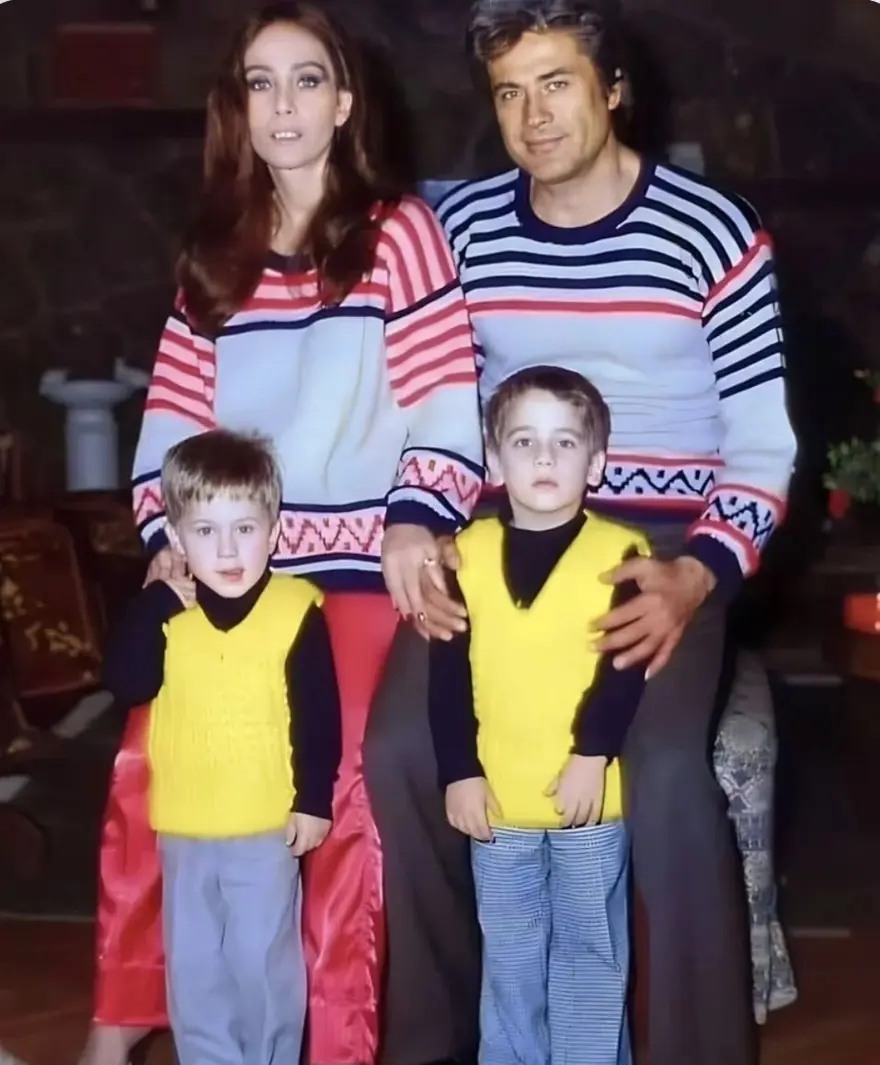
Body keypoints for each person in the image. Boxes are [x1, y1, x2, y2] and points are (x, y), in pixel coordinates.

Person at [81, 5, 484, 1065]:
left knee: (331, 776)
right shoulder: (217, 256)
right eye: (261, 83)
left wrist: (414, 522)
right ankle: (117, 1030)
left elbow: (448, 405)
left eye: (307, 80)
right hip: (230, 563)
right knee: (151, 757)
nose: (285, 105)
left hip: (355, 571)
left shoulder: (399, 234)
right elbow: (169, 425)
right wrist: (166, 537)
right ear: (239, 108)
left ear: (344, 102)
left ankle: (333, 1044)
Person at [427, 3, 798, 1064]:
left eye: (556, 84)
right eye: (509, 92)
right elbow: (436, 411)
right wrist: (428, 526)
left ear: (614, 89)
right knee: (406, 749)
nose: (533, 115)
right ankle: (440, 1040)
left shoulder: (712, 229)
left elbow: (764, 442)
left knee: (664, 767)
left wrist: (699, 573)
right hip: (509, 533)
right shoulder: (463, 231)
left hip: (663, 546)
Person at [429, 367, 649, 1065]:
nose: (545, 457)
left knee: (590, 952)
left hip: (589, 796)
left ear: (597, 461)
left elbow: (623, 670)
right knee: (510, 953)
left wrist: (592, 754)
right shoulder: (465, 556)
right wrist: (459, 771)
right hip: (497, 799)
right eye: (524, 441)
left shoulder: (621, 554)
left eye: (565, 442)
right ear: (496, 461)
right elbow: (447, 679)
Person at [101, 430, 342, 1065]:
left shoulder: (295, 610)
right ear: (177, 539)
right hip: (185, 829)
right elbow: (125, 682)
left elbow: (317, 718)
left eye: (245, 528)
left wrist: (313, 799)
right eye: (206, 531)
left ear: (275, 531)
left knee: (263, 965)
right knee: (196, 973)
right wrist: (151, 607)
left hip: (265, 827)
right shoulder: (167, 614)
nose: (228, 549)